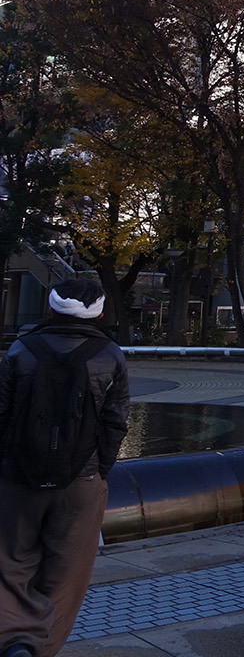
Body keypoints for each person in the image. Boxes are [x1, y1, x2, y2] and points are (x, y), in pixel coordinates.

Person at [0, 278, 130, 657]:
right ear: (99, 314)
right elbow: (116, 422)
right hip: (82, 481)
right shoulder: (110, 355)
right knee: (67, 574)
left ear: (51, 307)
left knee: (9, 564)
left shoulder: (21, 349)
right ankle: (40, 648)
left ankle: (14, 640)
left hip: (17, 478)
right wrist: (98, 471)